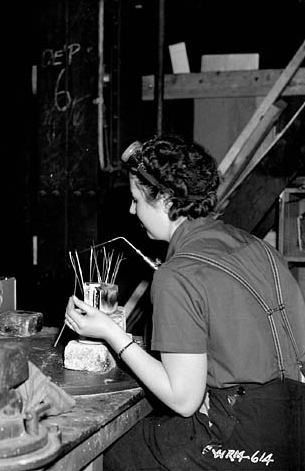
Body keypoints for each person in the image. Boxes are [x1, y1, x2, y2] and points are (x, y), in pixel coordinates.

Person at [65, 135, 305, 470]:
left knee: (113, 448)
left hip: (249, 444)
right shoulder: (258, 247)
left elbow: (183, 400)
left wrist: (111, 334)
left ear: (164, 200)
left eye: (136, 199)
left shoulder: (178, 273)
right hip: (295, 430)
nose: (132, 210)